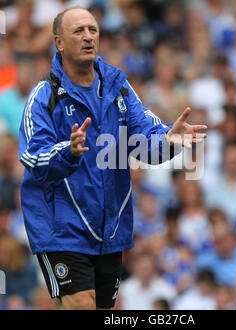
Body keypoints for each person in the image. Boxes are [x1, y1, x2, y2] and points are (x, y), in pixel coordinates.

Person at [18, 7, 207, 310]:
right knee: (82, 304)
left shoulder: (119, 88)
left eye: (92, 29)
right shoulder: (44, 96)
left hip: (109, 228)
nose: (88, 36)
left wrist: (169, 141)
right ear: (59, 42)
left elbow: (145, 140)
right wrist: (68, 151)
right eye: (78, 31)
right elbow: (33, 157)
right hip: (59, 228)